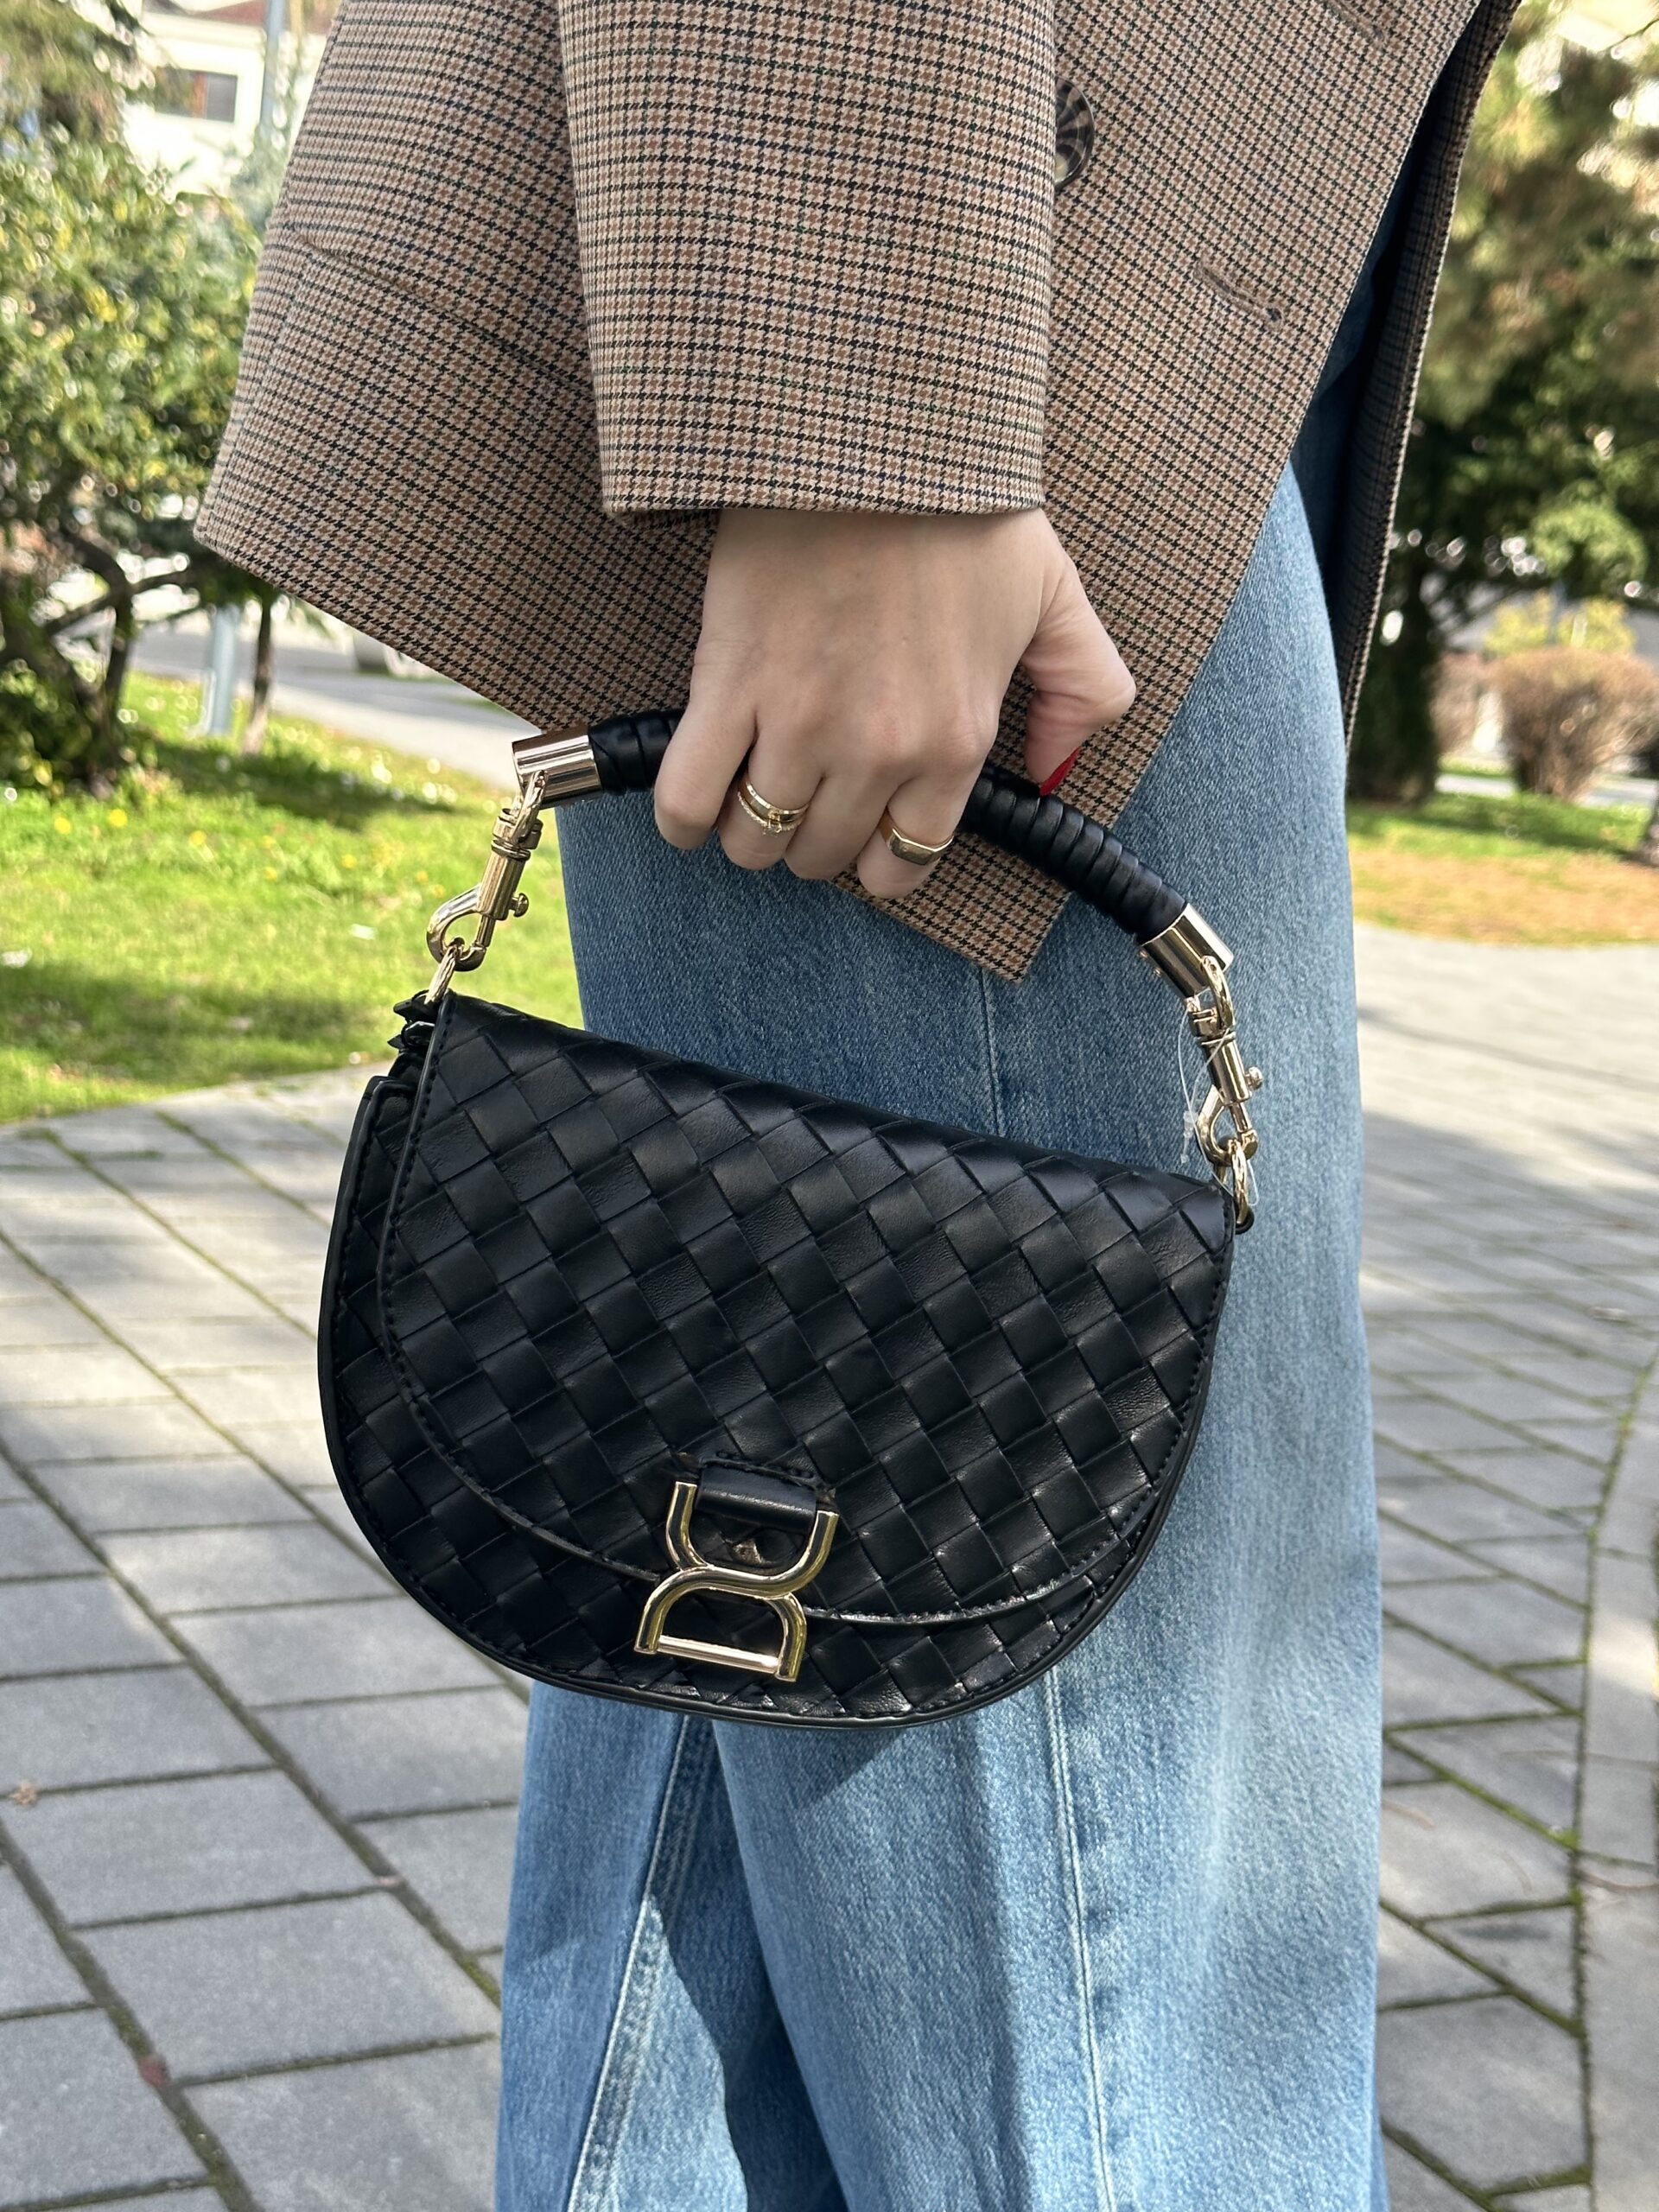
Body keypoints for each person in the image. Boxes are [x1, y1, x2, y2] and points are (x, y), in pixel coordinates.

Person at [198, 2, 1519, 2202]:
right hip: (991, 291)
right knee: (1148, 1912)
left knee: (743, 1635)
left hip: (1096, 274)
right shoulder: (897, 378)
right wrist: (862, 398)